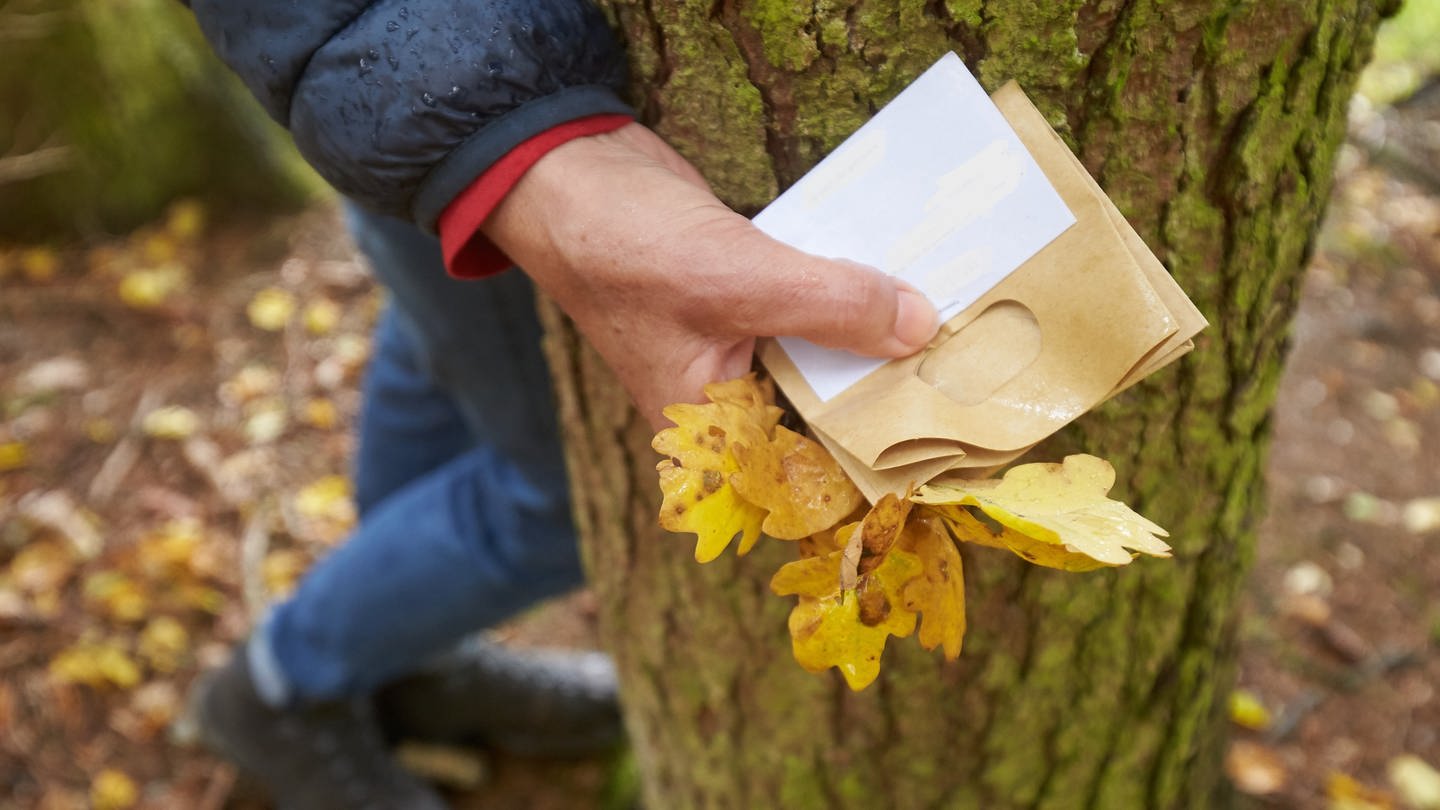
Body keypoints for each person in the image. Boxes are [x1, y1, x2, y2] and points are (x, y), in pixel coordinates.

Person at [184, 0, 940, 807]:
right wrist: (523, 142)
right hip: (446, 91)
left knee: (442, 327)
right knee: (554, 497)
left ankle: (406, 663)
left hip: (411, 102)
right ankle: (280, 687)